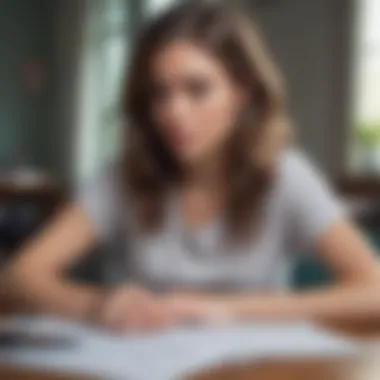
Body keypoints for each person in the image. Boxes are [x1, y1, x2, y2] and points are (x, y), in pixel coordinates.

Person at [4, 0, 380, 332]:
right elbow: (19, 278)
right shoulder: (126, 175)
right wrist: (97, 304)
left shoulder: (283, 175)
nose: (173, 113)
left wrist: (227, 310)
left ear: (241, 93)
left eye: (197, 90)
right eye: (159, 93)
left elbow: (373, 291)